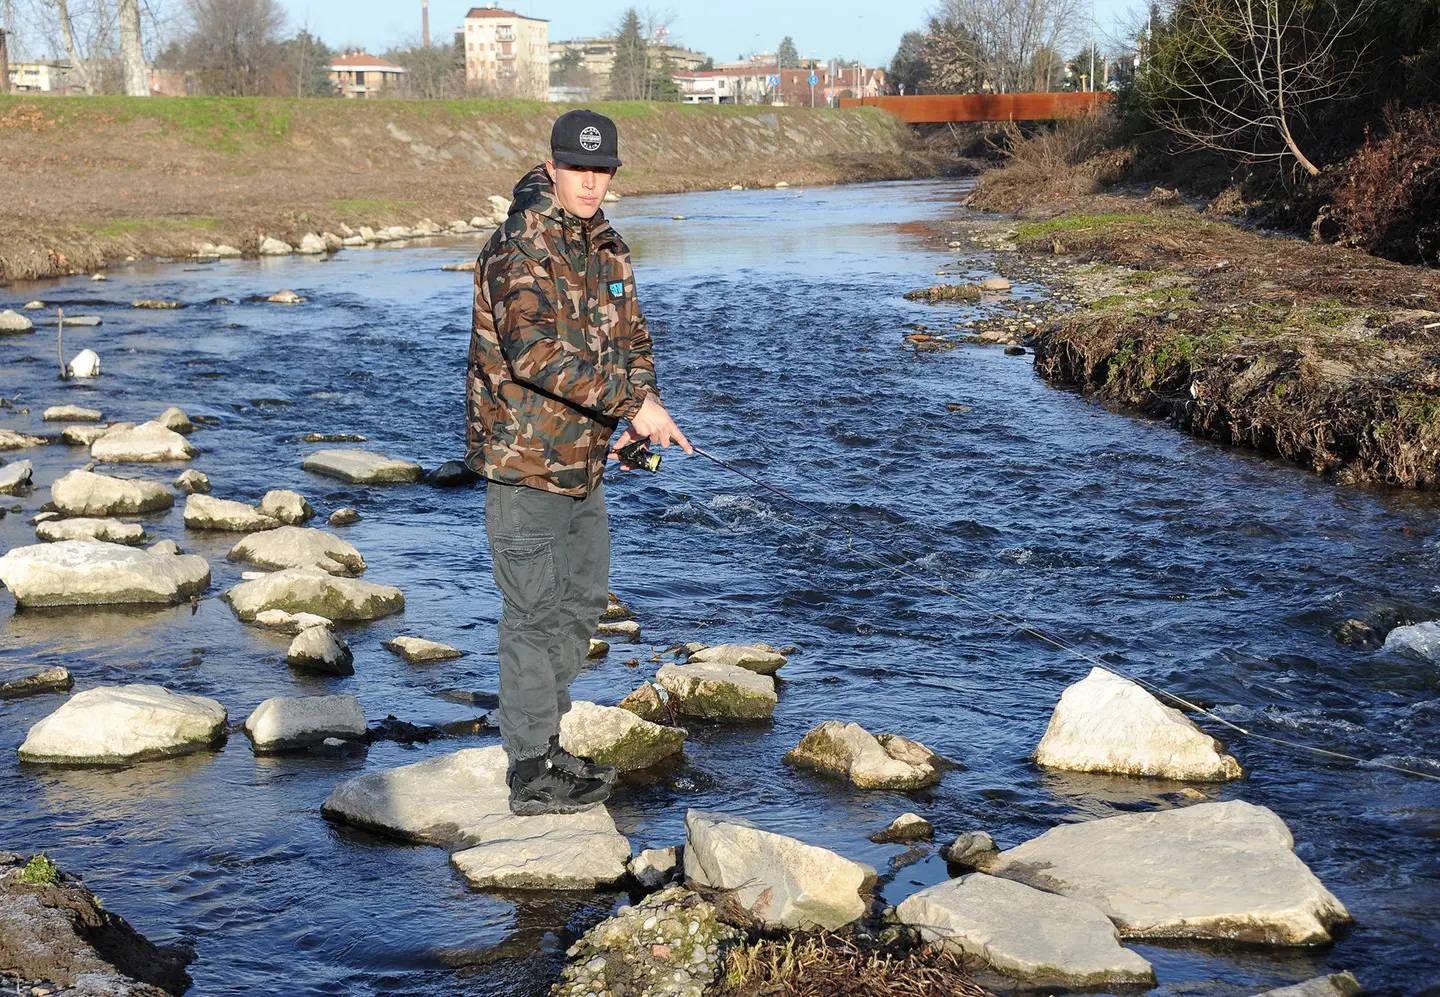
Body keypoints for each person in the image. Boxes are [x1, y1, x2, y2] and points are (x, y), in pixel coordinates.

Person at [466, 109, 691, 816]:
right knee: (532, 612)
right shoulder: (518, 247)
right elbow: (535, 357)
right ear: (553, 165)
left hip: (584, 464)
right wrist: (630, 403)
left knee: (583, 600)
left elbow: (632, 342)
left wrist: (633, 415)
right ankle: (529, 769)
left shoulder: (609, 246)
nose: (591, 183)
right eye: (580, 169)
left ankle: (542, 736)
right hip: (523, 462)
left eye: (603, 172)